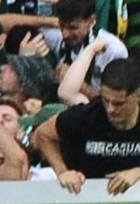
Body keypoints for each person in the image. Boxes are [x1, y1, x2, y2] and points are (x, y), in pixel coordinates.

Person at [35, 57, 140, 195]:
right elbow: (43, 134)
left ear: (137, 96)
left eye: (119, 103)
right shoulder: (87, 115)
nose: (110, 109)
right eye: (106, 100)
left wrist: (137, 172)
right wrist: (63, 172)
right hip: (87, 195)